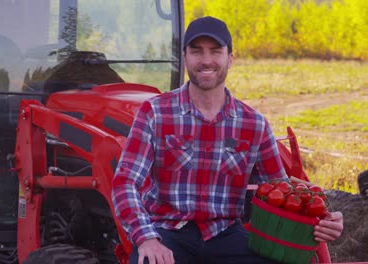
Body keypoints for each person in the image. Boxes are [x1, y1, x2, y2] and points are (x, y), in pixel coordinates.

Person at [111, 16, 343, 264]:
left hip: (226, 234)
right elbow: (125, 182)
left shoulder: (254, 124)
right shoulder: (155, 112)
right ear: (185, 57)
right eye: (197, 51)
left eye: (216, 51)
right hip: (167, 232)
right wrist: (147, 238)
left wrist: (322, 220)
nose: (207, 60)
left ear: (230, 58)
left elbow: (282, 195)